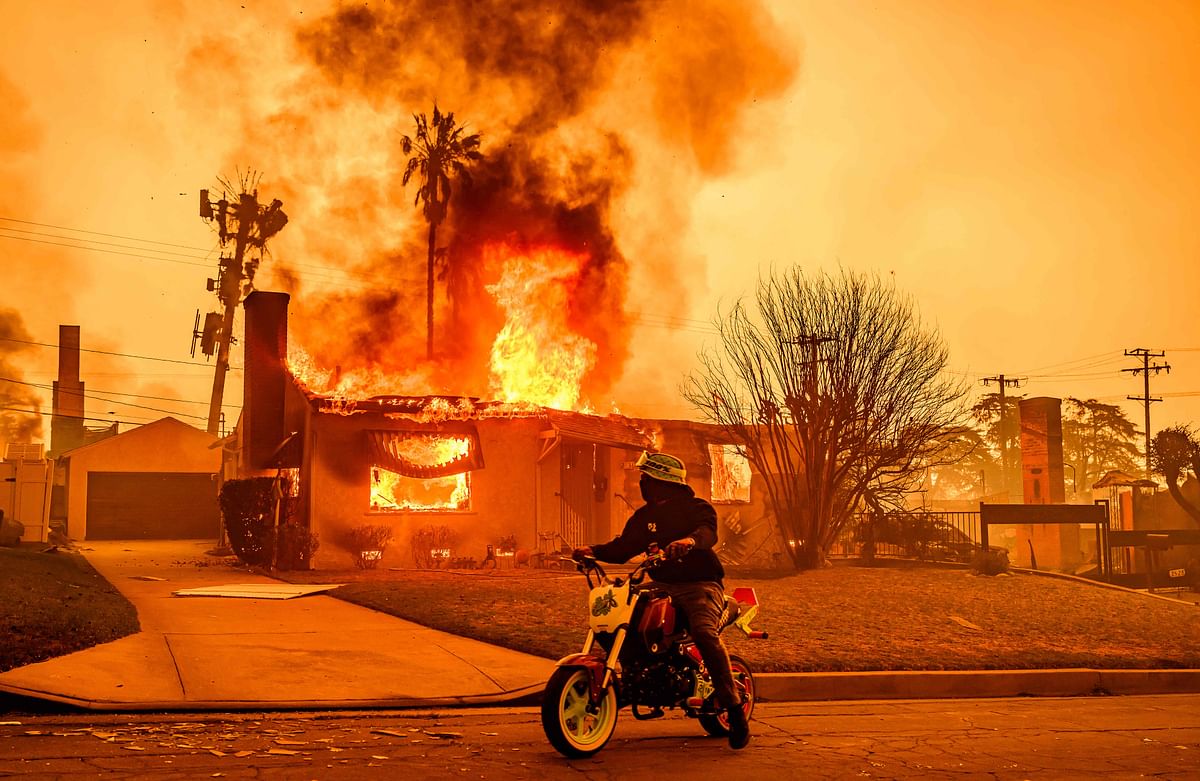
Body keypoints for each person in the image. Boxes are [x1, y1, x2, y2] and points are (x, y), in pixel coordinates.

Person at [573, 450, 751, 750]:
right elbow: (623, 548)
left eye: (646, 478)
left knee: (705, 634)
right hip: (662, 584)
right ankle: (636, 678)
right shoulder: (644, 517)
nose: (642, 483)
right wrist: (591, 550)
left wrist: (689, 542)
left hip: (700, 585)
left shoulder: (697, 508)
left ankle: (734, 710)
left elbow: (707, 533)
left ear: (661, 482)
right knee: (624, 619)